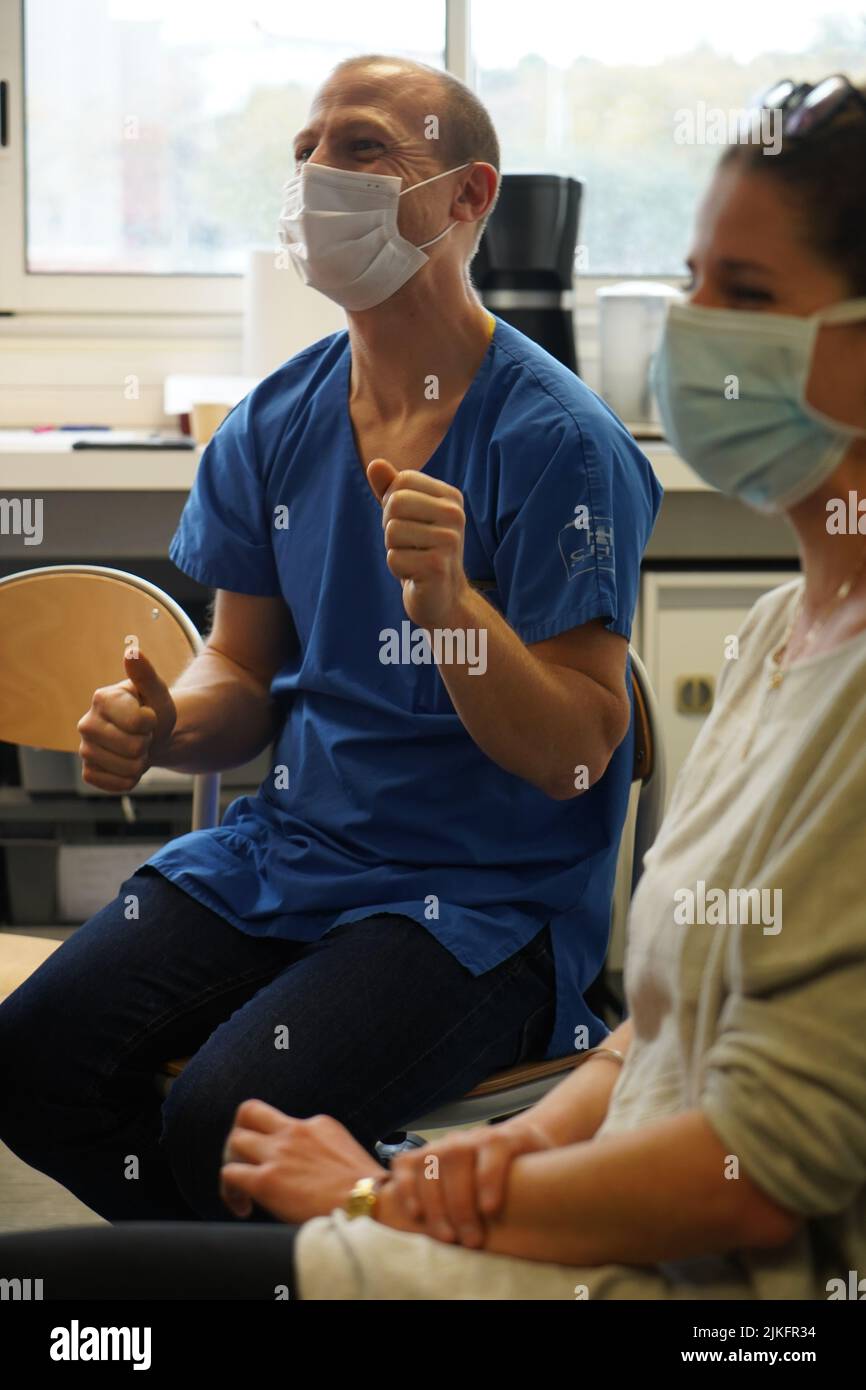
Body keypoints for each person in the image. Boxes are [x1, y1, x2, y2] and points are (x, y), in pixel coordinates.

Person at [1, 71, 864, 1303]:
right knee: (36, 1058)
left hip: (475, 904)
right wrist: (166, 723)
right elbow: (237, 668)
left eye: (359, 149)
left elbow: (579, 755)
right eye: (303, 151)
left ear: (466, 198)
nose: (317, 178)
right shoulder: (271, 426)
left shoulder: (556, 442)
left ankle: (298, 1257)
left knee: (218, 1117)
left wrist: (455, 618)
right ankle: (286, 1264)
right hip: (292, 854)